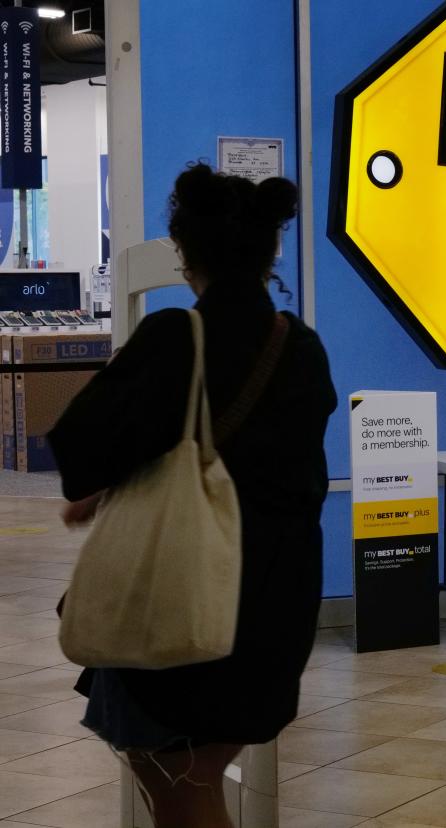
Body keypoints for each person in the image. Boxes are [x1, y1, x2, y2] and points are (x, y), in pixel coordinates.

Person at [48, 163, 337, 828]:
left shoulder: (177, 338)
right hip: (277, 604)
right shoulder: (304, 348)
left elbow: (77, 451)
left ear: (185, 254)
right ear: (269, 252)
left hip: (183, 600)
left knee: (181, 786)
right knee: (192, 778)